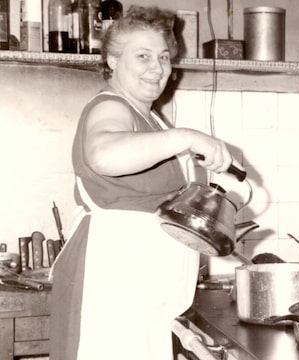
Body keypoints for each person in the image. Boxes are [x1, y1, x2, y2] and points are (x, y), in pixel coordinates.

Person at [47, 6, 239, 360]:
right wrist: (188, 137)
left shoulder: (149, 118)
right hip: (110, 281)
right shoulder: (112, 107)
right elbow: (104, 155)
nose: (158, 68)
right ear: (112, 60)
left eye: (164, 57)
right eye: (143, 56)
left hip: (136, 286)